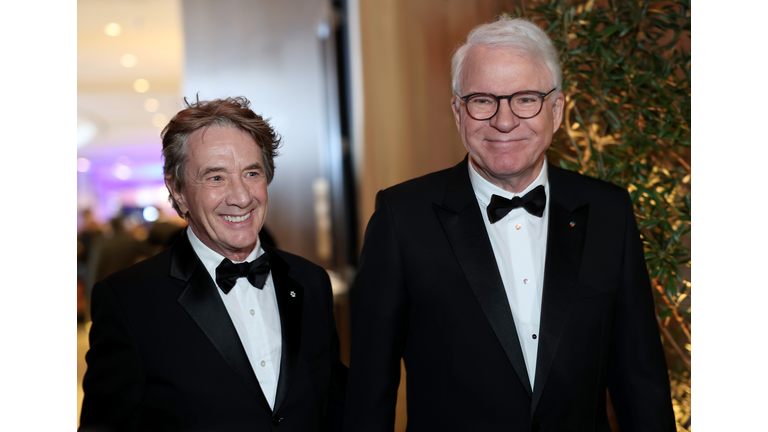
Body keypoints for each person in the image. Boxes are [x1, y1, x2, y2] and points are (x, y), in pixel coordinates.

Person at [343, 17, 675, 432]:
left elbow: (640, 379)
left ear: (556, 111)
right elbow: (370, 390)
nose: (504, 121)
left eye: (526, 99)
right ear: (458, 110)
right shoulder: (401, 217)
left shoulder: (609, 212)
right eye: (483, 100)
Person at [80, 96, 347, 432]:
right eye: (216, 178)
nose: (240, 196)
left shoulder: (310, 281)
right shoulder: (129, 301)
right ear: (177, 191)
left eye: (251, 173)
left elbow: (333, 407)